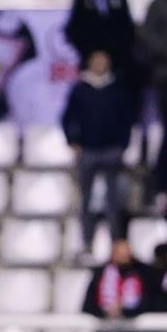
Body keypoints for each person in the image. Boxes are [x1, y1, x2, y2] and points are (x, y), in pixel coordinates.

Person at [61, 49, 136, 259]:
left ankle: (116, 244)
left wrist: (123, 144)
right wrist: (72, 141)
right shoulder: (80, 89)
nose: (100, 65)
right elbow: (67, 117)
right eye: (96, 61)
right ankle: (86, 242)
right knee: (85, 201)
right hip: (88, 150)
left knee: (114, 201)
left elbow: (127, 118)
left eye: (104, 61)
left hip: (112, 150)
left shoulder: (117, 89)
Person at [64, 0, 135, 80]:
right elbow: (73, 28)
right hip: (88, 59)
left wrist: (119, 52)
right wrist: (88, 53)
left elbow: (127, 27)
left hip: (116, 60)